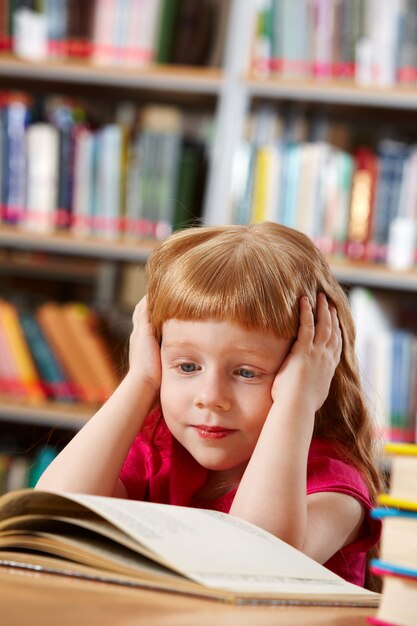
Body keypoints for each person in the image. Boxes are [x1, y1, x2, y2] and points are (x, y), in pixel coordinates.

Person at [36, 222, 382, 589]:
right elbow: (50, 517)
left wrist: (296, 402)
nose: (210, 396)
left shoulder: (335, 486)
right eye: (187, 367)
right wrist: (141, 380)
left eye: (247, 373)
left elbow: (253, 559)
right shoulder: (157, 453)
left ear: (309, 372)